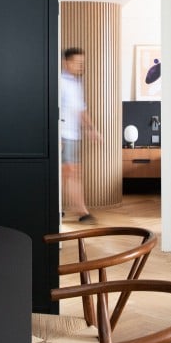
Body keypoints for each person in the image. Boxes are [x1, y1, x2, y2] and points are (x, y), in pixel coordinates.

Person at [60, 47, 100, 222]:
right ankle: (82, 212)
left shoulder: (76, 83)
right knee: (71, 172)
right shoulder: (60, 82)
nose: (80, 66)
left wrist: (92, 129)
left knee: (68, 173)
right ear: (66, 63)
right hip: (63, 135)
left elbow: (81, 110)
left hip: (73, 135)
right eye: (77, 63)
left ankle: (59, 207)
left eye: (82, 63)